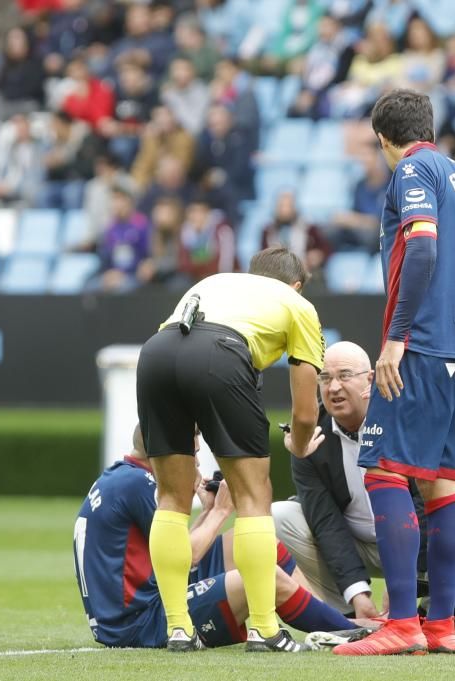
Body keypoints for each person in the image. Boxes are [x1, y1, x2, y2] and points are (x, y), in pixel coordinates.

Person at [334, 89, 455, 657]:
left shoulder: (412, 169)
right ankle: (440, 625)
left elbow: (421, 246)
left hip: (422, 345)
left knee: (383, 470)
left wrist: (395, 337)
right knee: (442, 482)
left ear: (382, 140)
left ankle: (401, 623)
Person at [136, 247, 325, 653]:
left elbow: (179, 347)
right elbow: (306, 411)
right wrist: (301, 442)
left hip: (155, 353)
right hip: (220, 354)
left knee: (170, 497)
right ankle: (264, 629)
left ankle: (178, 630)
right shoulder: (298, 304)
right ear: (295, 285)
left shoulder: (214, 282)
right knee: (253, 497)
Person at [74, 425, 369, 649]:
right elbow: (186, 557)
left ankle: (335, 623)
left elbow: (169, 556)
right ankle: (352, 631)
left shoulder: (124, 476)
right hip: (141, 623)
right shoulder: (138, 484)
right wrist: (221, 512)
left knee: (263, 549)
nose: (198, 454)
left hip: (144, 605)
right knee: (264, 574)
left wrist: (209, 512)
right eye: (193, 449)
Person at [273, 342, 455, 617]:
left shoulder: (407, 417)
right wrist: (358, 595)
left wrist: (404, 578)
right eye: (325, 378)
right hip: (359, 544)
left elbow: (427, 506)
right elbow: (325, 522)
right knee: (282, 515)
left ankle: (432, 612)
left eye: (344, 376)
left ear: (370, 380)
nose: (333, 388)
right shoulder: (309, 435)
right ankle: (351, 617)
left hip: (416, 542)